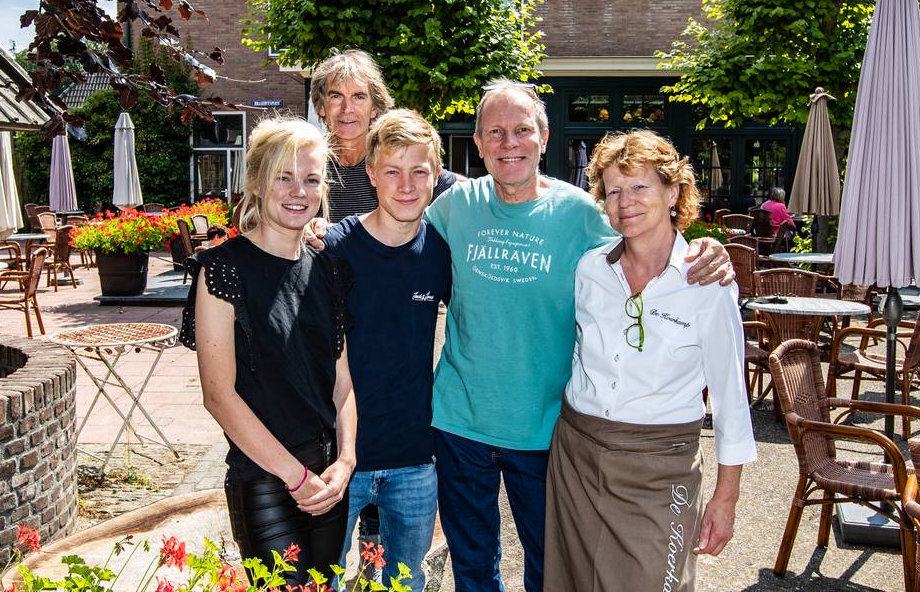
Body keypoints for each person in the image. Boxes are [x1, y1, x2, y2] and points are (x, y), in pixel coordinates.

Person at [423, 80, 733, 591]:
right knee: (473, 570)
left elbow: (649, 238)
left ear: (543, 137)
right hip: (460, 425)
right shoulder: (453, 207)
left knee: (551, 571)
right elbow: (395, 238)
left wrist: (704, 251)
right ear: (477, 144)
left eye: (522, 130)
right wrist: (323, 236)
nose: (509, 143)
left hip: (549, 432)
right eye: (495, 132)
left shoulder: (584, 214)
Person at [545, 130, 757, 591]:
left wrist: (726, 497)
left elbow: (730, 398)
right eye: (614, 190)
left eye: (640, 187)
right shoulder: (590, 269)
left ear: (673, 191)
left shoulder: (707, 283)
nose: (626, 202)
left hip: (660, 467)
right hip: (577, 456)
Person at [181, 117, 357, 583]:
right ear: (257, 183)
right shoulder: (221, 270)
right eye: (284, 176)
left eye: (311, 179)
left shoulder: (330, 271)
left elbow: (342, 384)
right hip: (264, 480)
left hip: (329, 482)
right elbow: (219, 395)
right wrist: (295, 477)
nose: (298, 190)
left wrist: (346, 461)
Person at [323, 109, 451, 587]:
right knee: (322, 579)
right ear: (371, 173)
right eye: (392, 171)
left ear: (436, 176)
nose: (406, 184)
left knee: (404, 583)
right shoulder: (333, 248)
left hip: (415, 456)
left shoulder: (441, 251)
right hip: (339, 458)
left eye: (419, 171)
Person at [310, 49, 460, 222]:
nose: (347, 108)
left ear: (374, 108)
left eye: (359, 97)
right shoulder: (308, 165)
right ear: (321, 106)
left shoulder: (393, 159)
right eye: (336, 96)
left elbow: (455, 187)